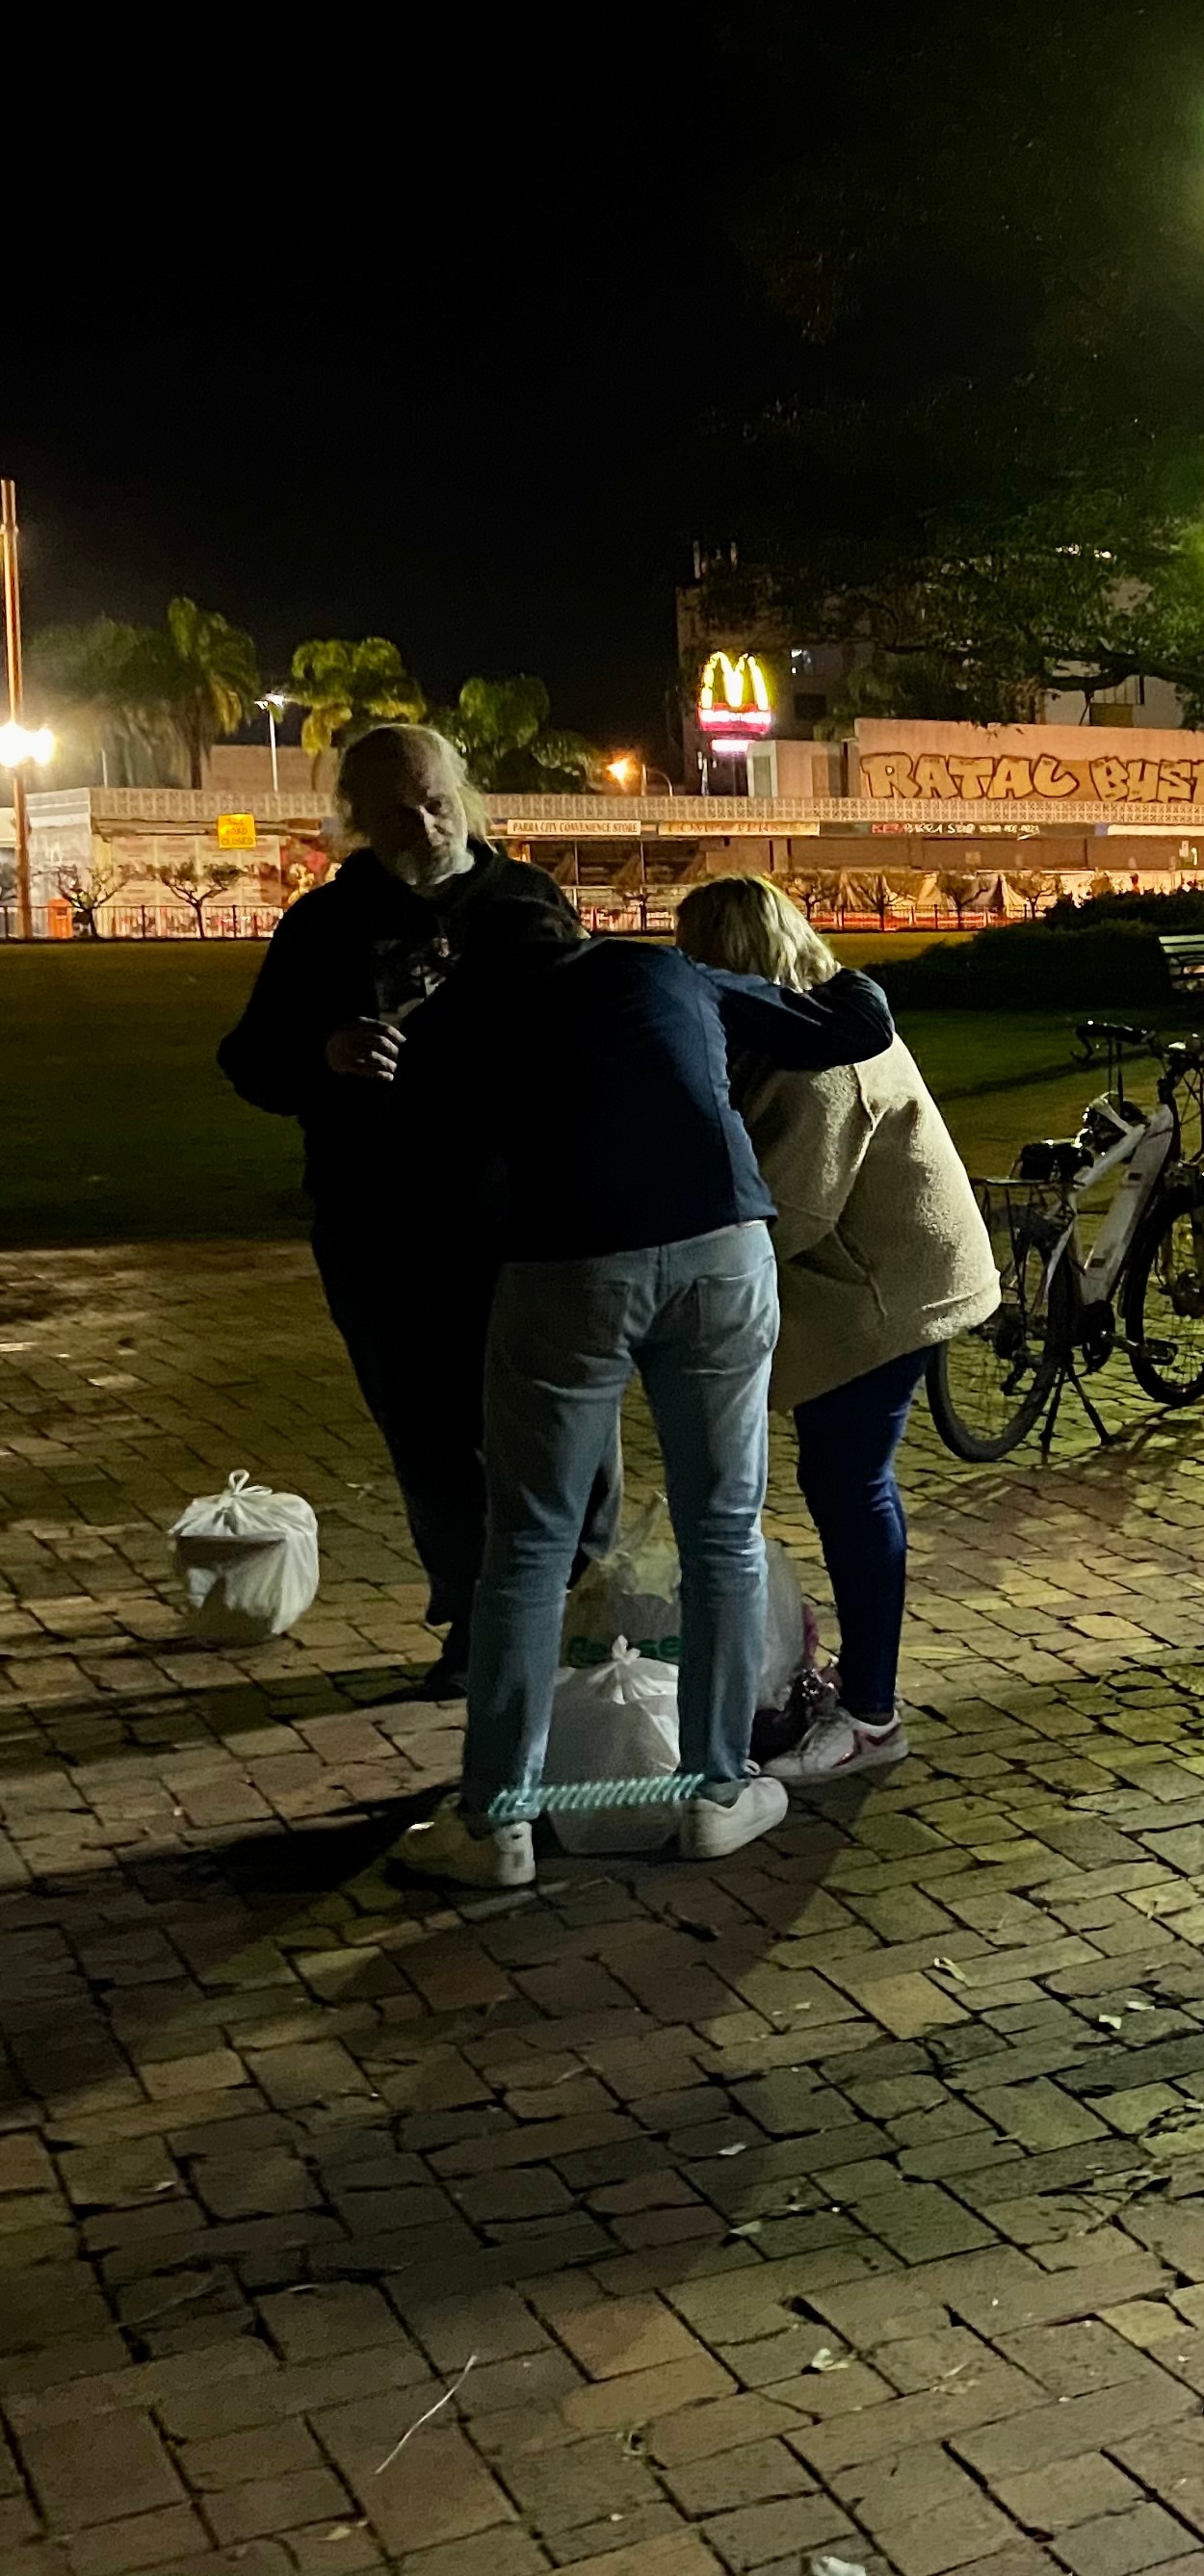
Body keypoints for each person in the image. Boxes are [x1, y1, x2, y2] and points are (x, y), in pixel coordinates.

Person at [382, 893, 901, 1889]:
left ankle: (498, 1820)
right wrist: (830, 963)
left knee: (527, 1547)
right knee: (721, 1530)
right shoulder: (660, 971)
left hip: (564, 1265)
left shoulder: (455, 1015)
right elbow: (855, 1023)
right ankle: (713, 1794)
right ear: (576, 927)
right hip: (720, 1248)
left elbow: (417, 1166)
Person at [216, 724, 610, 1695]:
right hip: (383, 1225)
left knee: (565, 1424)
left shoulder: (526, 902)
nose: (424, 822)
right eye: (395, 809)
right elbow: (249, 1060)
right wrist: (326, 1054)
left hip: (531, 1218)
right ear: (356, 814)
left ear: (463, 791)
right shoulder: (324, 926)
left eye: (434, 798)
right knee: (431, 1430)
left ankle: (590, 1610)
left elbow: (598, 1039)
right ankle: (475, 1621)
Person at [673, 876, 995, 1782]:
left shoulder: (815, 1062)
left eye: (697, 954)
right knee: (846, 1480)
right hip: (876, 1281)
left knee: (848, 1483)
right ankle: (869, 1680)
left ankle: (872, 1714)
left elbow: (792, 1211)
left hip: (885, 1293)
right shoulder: (807, 1024)